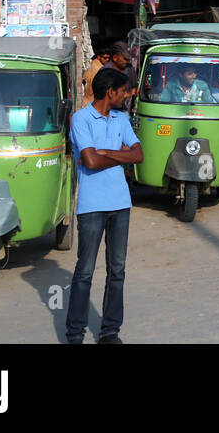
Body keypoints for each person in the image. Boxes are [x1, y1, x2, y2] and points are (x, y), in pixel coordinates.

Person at [66, 66, 141, 344]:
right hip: (92, 207)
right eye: (123, 91)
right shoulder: (81, 119)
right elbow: (90, 162)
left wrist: (105, 152)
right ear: (110, 92)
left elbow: (139, 155)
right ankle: (75, 334)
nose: (126, 95)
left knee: (117, 271)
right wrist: (120, 154)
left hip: (121, 204)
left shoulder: (121, 119)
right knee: (84, 272)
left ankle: (110, 332)